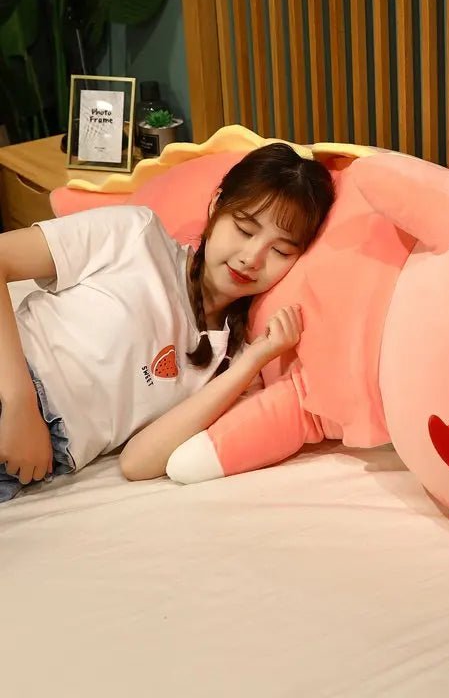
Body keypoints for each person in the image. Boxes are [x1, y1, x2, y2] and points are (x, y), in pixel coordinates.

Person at [0, 142, 335, 500]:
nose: (252, 258)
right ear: (216, 205)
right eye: (244, 229)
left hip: (35, 463)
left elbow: (138, 462)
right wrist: (20, 403)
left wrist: (253, 360)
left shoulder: (234, 366)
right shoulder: (137, 235)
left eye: (280, 251)